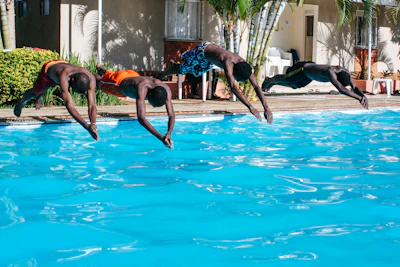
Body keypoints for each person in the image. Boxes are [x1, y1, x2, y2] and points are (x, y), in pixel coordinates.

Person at [159, 42, 273, 123]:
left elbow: (257, 86)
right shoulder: (228, 63)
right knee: (182, 70)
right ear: (235, 73)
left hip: (210, 59)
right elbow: (233, 87)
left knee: (195, 72)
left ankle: (175, 65)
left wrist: (266, 107)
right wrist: (250, 107)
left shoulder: (245, 68)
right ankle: (164, 73)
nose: (237, 80)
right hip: (203, 51)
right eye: (237, 78)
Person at [14, 59, 99, 140]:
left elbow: (92, 105)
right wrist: (86, 126)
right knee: (36, 92)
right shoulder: (64, 75)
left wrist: (93, 123)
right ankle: (21, 102)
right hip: (48, 71)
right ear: (71, 80)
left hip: (61, 67)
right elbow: (69, 105)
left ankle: (40, 96)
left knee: (44, 89)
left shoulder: (90, 77)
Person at [94, 65, 175, 148]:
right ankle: (92, 75)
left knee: (109, 76)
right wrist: (161, 137)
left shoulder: (166, 90)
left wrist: (169, 132)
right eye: (153, 104)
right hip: (118, 82)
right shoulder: (142, 87)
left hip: (134, 76)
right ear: (149, 95)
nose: (153, 107)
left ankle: (104, 71)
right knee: (100, 84)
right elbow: (141, 118)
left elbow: (171, 115)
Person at [262, 61, 369, 109]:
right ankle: (270, 80)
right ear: (338, 79)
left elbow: (354, 87)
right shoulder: (330, 72)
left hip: (309, 76)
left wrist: (364, 96)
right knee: (287, 79)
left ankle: (273, 82)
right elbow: (341, 89)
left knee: (294, 86)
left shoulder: (345, 72)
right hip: (302, 69)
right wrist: (359, 98)